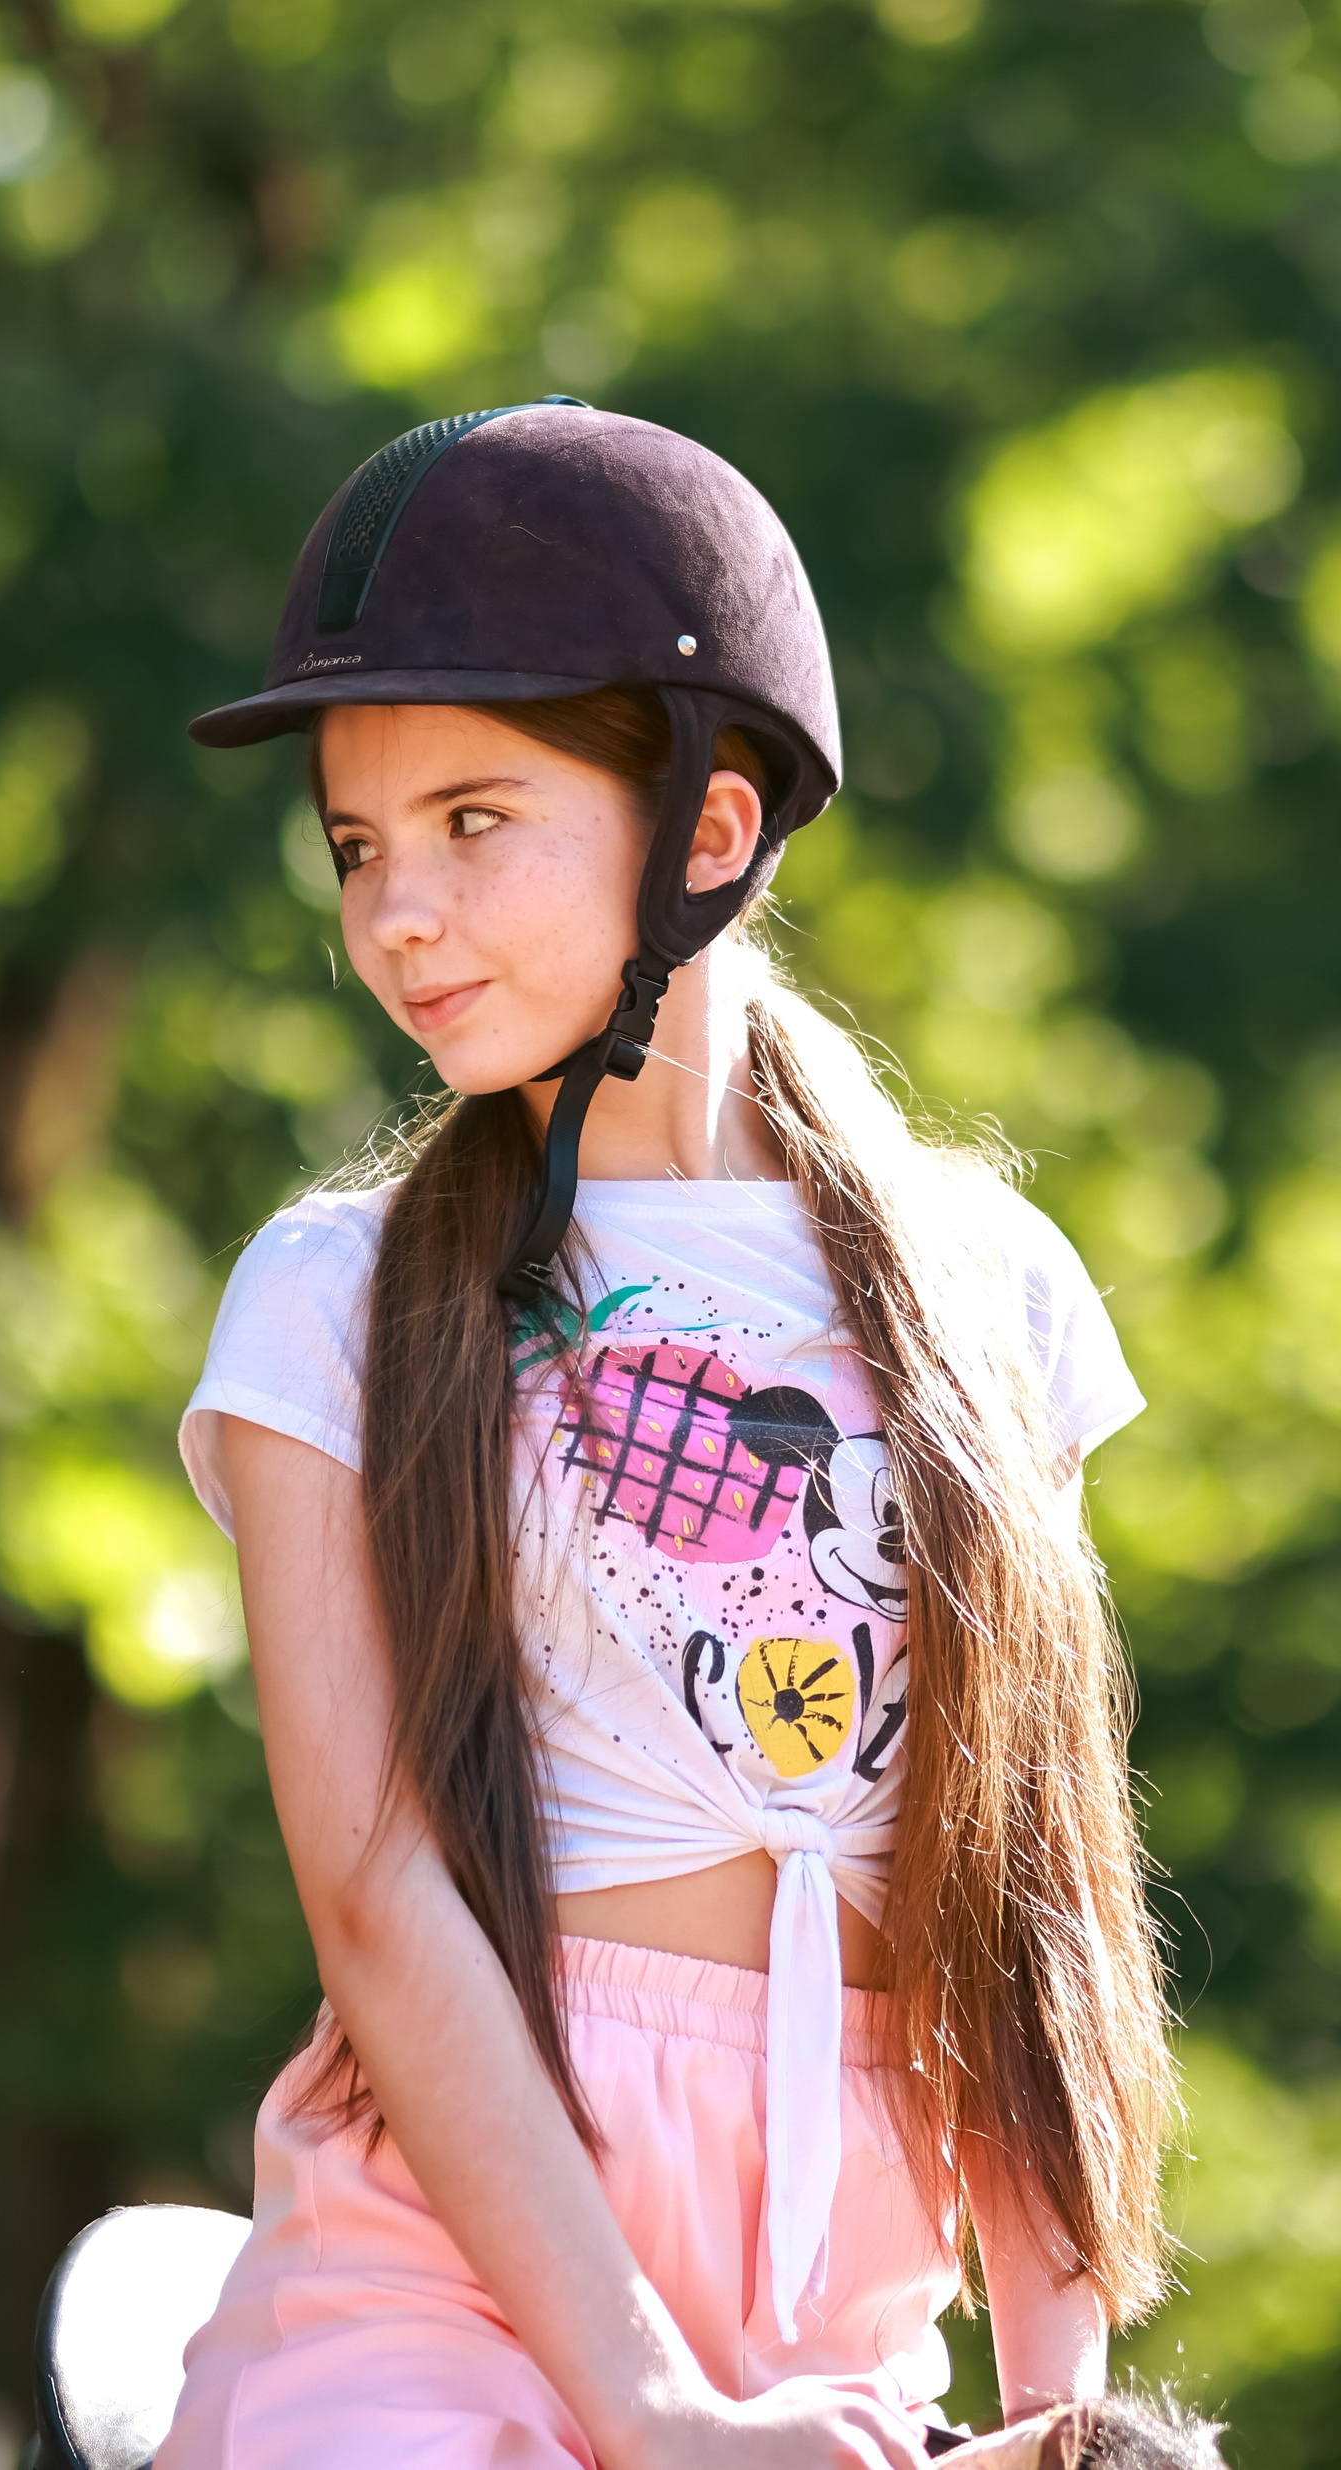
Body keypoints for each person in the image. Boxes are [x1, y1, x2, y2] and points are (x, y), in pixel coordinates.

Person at [157, 404, 1185, 2470]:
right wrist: (649, 2408)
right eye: (355, 846)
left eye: (471, 820)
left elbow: (1022, 1888)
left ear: (707, 831)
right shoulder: (329, 1299)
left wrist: (1060, 2411)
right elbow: (375, 1897)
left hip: (833, 2333)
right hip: (437, 2291)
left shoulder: (988, 1290)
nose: (395, 912)